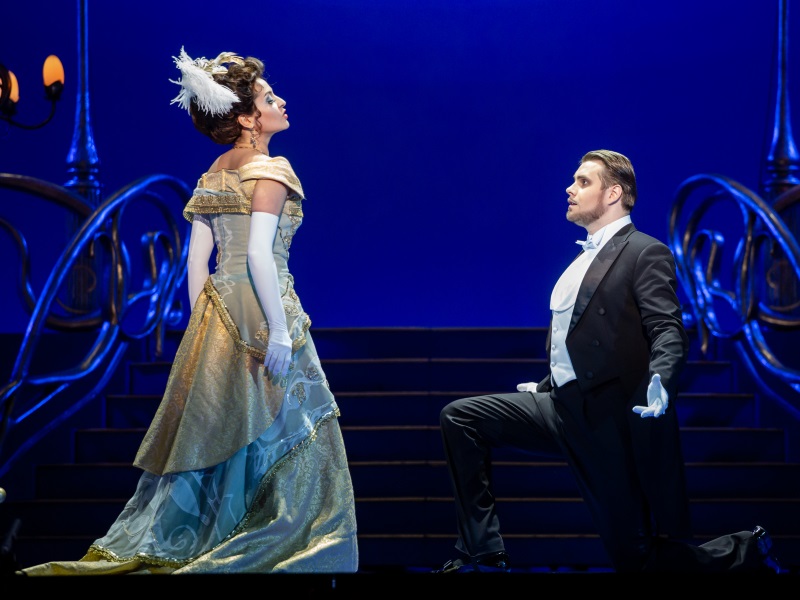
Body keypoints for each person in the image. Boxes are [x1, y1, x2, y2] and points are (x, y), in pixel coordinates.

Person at [19, 47, 358, 575]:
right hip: (265, 308)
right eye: (269, 98)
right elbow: (259, 257)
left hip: (220, 311)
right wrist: (277, 330)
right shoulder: (272, 170)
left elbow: (197, 263)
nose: (281, 102)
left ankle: (197, 533)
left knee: (218, 425)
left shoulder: (211, 174)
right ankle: (284, 538)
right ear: (247, 118)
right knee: (288, 421)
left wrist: (207, 320)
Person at [434, 149, 782, 574]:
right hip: (560, 406)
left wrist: (661, 378)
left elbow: (667, 328)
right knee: (461, 419)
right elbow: (581, 339)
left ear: (614, 193)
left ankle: (746, 551)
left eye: (583, 181)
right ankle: (484, 552)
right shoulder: (581, 260)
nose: (570, 188)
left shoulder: (644, 252)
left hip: (604, 417)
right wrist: (550, 381)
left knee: (636, 559)